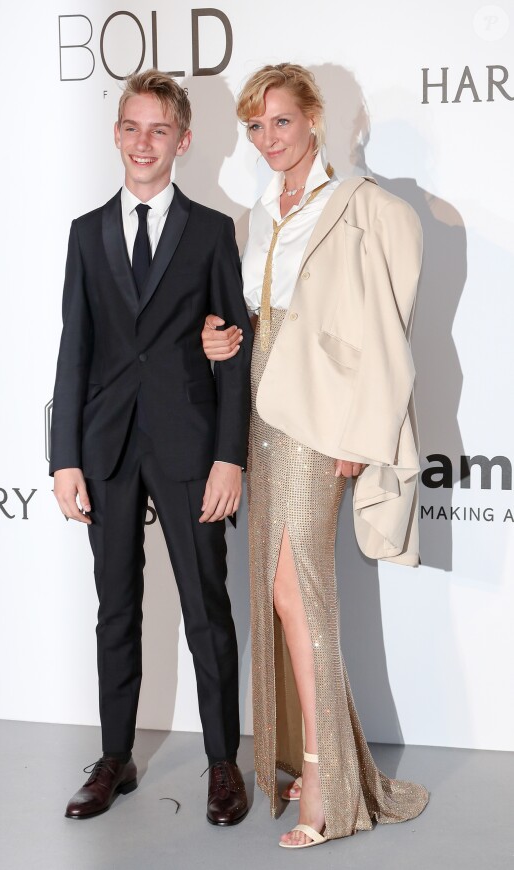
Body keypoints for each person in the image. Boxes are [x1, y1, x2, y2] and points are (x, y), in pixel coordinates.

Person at [201, 63, 428, 849]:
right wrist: (217, 339)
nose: (269, 141)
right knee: (281, 595)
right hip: (260, 409)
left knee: (301, 597)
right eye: (256, 127)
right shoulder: (260, 214)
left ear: (316, 121)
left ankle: (329, 792)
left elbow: (380, 330)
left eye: (283, 123)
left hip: (318, 421)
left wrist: (361, 433)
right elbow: (251, 319)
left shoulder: (358, 207)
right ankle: (325, 763)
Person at [50, 69, 252, 826]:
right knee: (115, 610)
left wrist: (229, 455)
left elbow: (234, 349)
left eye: (159, 130)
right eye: (132, 127)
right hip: (105, 452)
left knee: (206, 608)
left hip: (192, 449)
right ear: (116, 135)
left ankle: (223, 763)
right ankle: (114, 757)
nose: (144, 142)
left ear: (184, 141)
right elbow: (76, 348)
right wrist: (64, 458)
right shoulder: (85, 231)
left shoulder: (210, 232)